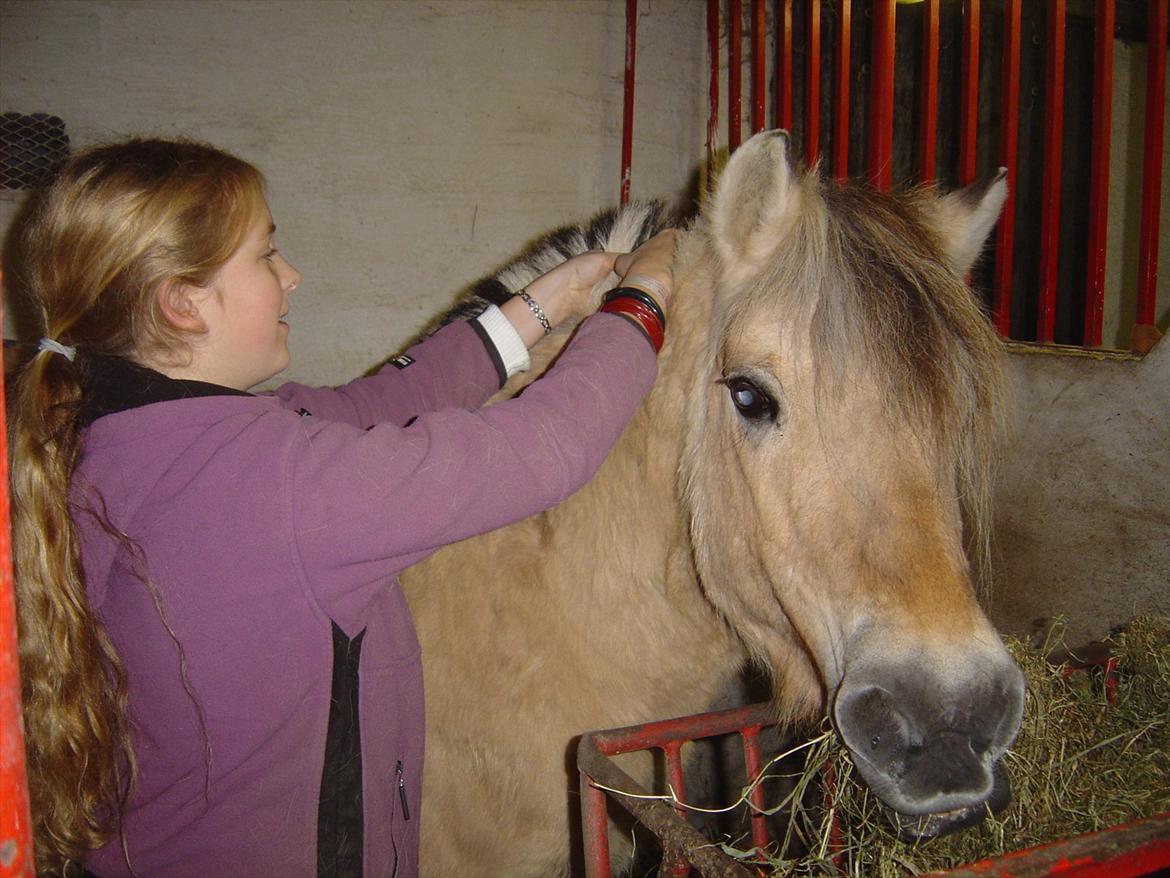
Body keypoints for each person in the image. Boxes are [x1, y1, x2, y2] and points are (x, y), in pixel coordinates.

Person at [7, 137, 676, 877]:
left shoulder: (128, 439)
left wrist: (543, 305)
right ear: (183, 303)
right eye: (266, 255)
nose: (291, 277)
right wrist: (642, 303)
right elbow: (551, 444)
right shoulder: (276, 487)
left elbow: (373, 406)